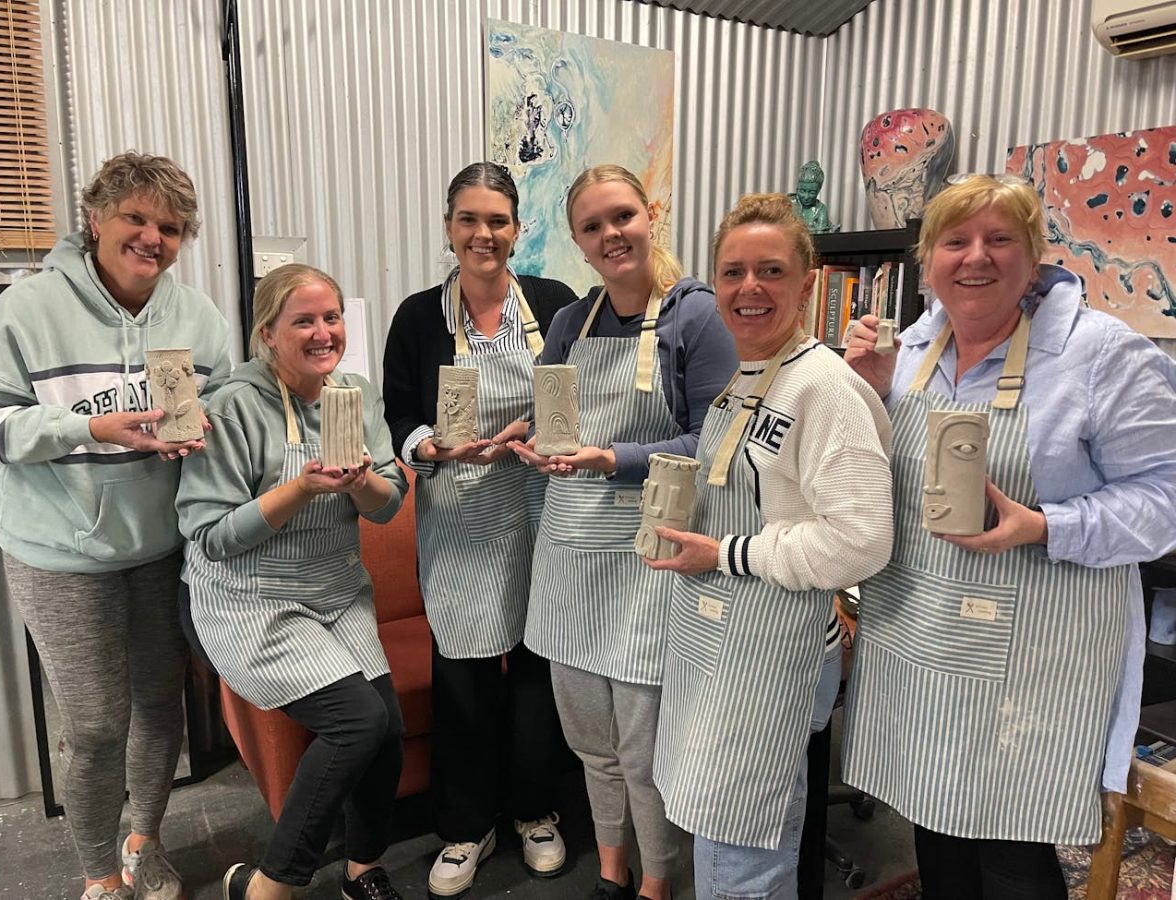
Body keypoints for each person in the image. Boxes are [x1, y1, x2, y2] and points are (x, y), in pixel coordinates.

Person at [841, 175, 1176, 899]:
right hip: (923, 642)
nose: (975, 258)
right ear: (927, 259)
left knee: (1011, 849)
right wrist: (868, 388)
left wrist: (1047, 526)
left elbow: (1166, 499)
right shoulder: (915, 345)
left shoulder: (1101, 354)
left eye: (1000, 240)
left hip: (1031, 659)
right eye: (955, 241)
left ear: (1034, 256)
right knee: (934, 823)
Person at [0, 151, 231, 900]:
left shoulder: (198, 317)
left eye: (171, 227)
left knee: (160, 704)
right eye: (137, 218)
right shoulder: (26, 311)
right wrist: (87, 431)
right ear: (95, 219)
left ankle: (143, 841)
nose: (154, 237)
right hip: (58, 553)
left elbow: (227, 406)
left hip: (159, 547)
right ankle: (96, 874)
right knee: (92, 727)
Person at [644, 193, 893, 900]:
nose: (749, 289)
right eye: (732, 272)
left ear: (808, 285)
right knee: (726, 837)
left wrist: (724, 555)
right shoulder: (751, 377)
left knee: (743, 853)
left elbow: (861, 541)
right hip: (728, 649)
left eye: (771, 271)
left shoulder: (824, 390)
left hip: (773, 652)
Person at [510, 164, 738, 900]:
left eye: (622, 217)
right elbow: (553, 424)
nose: (611, 235)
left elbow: (717, 443)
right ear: (578, 243)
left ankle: (659, 881)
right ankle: (612, 867)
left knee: (643, 750)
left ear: (651, 217)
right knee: (593, 745)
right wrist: (522, 437)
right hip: (571, 559)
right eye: (592, 226)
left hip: (651, 561)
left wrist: (615, 458)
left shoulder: (695, 316)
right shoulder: (571, 325)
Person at [176, 265, 408, 900]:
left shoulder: (352, 395)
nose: (322, 332)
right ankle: (269, 884)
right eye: (303, 320)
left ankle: (362, 868)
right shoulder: (231, 407)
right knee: (357, 722)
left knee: (386, 728)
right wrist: (301, 487)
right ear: (268, 334)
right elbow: (212, 537)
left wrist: (363, 482)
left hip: (336, 594)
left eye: (330, 317)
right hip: (251, 603)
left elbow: (389, 505)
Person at [382, 162, 577, 897]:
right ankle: (466, 827)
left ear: (517, 230)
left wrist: (550, 429)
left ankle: (534, 810)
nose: (484, 234)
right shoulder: (416, 317)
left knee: (537, 664)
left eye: (497, 220)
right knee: (462, 668)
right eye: (469, 219)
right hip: (460, 510)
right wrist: (431, 447)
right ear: (449, 228)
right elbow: (399, 412)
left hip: (538, 503)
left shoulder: (556, 306)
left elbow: (576, 393)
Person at [787, 161, 833, 234]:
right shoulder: (788, 203)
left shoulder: (821, 210)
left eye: (812, 192)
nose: (806, 196)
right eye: (802, 191)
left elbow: (822, 237)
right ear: (797, 187)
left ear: (818, 191)